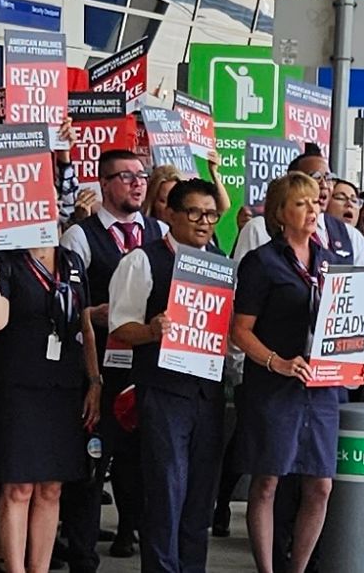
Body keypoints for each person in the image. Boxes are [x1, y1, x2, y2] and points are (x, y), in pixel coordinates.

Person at [232, 172, 364, 573]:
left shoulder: (332, 261)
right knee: (269, 480)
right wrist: (277, 361)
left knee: (321, 484)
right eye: (301, 203)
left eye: (315, 202)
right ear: (279, 213)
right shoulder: (263, 262)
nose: (313, 209)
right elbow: (240, 330)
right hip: (275, 383)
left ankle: (298, 567)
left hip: (322, 387)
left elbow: (352, 323)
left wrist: (359, 357)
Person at [108, 179, 228, 573]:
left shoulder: (219, 263)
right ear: (170, 215)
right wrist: (152, 332)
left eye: (210, 214)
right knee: (165, 493)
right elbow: (121, 327)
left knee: (199, 499)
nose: (203, 221)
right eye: (193, 212)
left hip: (207, 393)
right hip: (162, 391)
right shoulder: (142, 261)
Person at [60, 148, 168, 570]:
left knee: (142, 461)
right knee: (92, 459)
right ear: (103, 184)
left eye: (141, 175)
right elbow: (65, 306)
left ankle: (132, 532)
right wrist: (94, 313)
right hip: (99, 362)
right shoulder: (80, 237)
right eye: (125, 176)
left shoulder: (160, 232)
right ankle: (82, 553)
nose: (137, 183)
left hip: (150, 364)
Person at [0, 224, 100, 573]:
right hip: (18, 386)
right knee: (18, 487)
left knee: (51, 488)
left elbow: (84, 325)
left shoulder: (71, 261)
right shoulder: (8, 261)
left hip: (63, 387)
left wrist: (94, 380)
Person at [233, 148, 364, 266]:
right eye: (315, 177)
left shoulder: (351, 236)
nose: (324, 184)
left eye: (329, 178)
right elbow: (238, 284)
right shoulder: (257, 229)